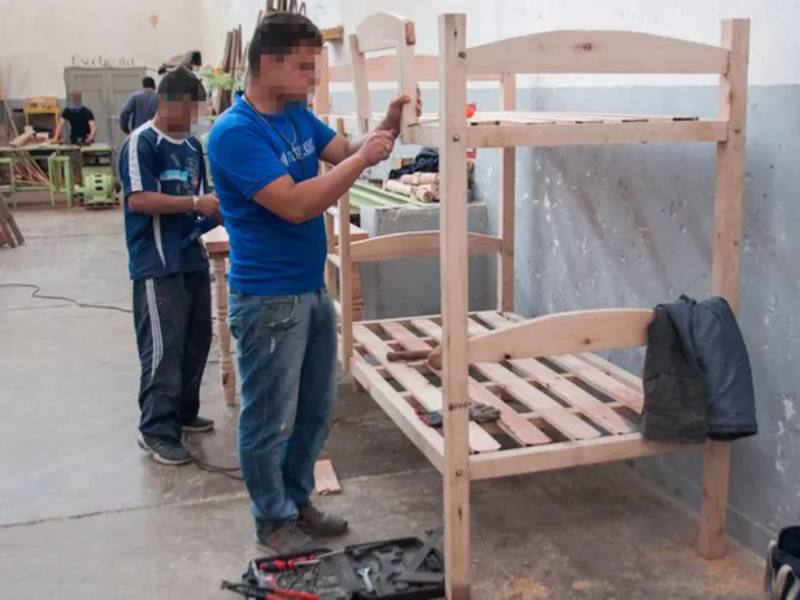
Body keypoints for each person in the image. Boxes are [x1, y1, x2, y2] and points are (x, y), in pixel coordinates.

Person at [207, 12, 420, 554]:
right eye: (304, 67)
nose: (314, 78)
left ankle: (296, 500)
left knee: (314, 412)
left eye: (315, 65)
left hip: (311, 290)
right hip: (267, 299)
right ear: (267, 63)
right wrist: (364, 158)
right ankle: (271, 517)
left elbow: (345, 153)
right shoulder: (235, 134)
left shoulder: (297, 115)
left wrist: (386, 128)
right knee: (267, 419)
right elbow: (297, 205)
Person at [118, 69, 222, 466]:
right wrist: (195, 204)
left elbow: (202, 195)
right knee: (163, 347)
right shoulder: (142, 143)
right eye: (190, 109)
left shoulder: (192, 146)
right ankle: (156, 429)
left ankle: (183, 412)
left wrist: (214, 209)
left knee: (197, 338)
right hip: (157, 263)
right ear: (168, 102)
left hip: (190, 255)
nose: (194, 118)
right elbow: (139, 200)